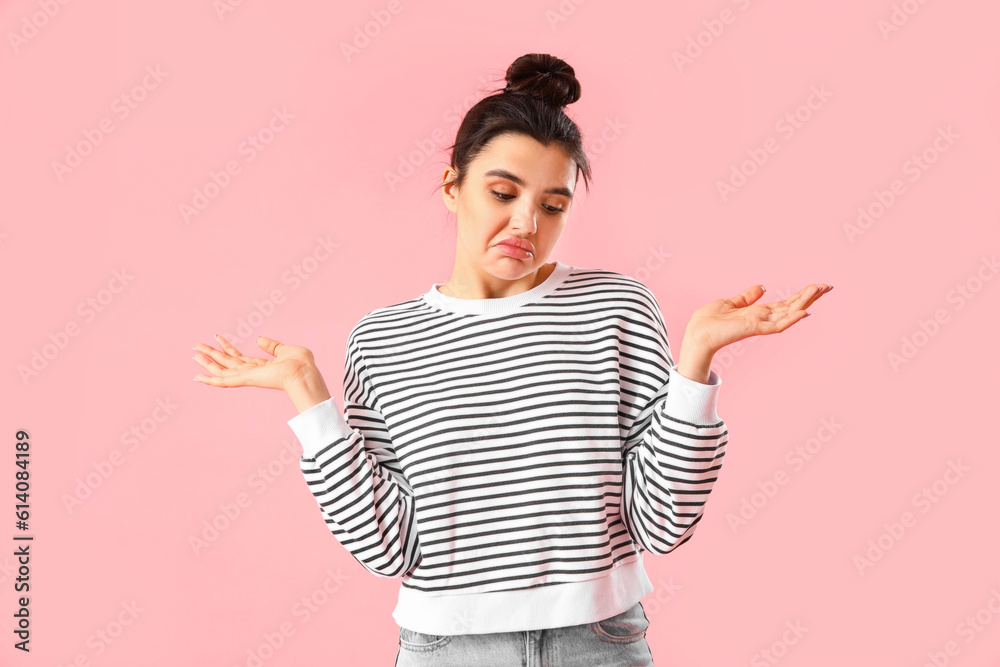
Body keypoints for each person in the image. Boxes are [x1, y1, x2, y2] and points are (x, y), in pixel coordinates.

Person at [192, 52, 831, 666]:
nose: (527, 223)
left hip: (600, 642)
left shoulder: (616, 308)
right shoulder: (382, 341)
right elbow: (388, 548)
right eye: (503, 193)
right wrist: (310, 399)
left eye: (553, 205)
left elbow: (661, 525)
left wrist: (694, 362)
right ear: (451, 186)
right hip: (446, 650)